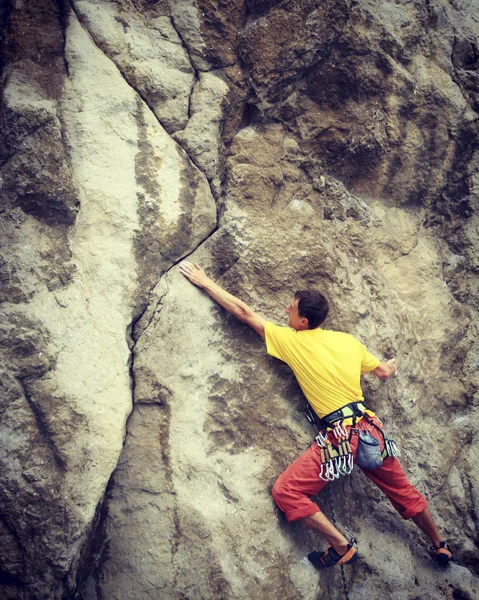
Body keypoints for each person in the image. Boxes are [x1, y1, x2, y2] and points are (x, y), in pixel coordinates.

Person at [179, 261, 453, 568]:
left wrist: (205, 282)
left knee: (287, 491)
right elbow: (383, 372)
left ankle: (340, 545)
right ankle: (440, 544)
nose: (286, 311)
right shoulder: (347, 341)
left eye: (291, 309)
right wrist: (389, 365)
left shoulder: (291, 340)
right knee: (402, 490)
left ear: (304, 321)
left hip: (340, 438)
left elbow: (245, 313)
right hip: (370, 430)